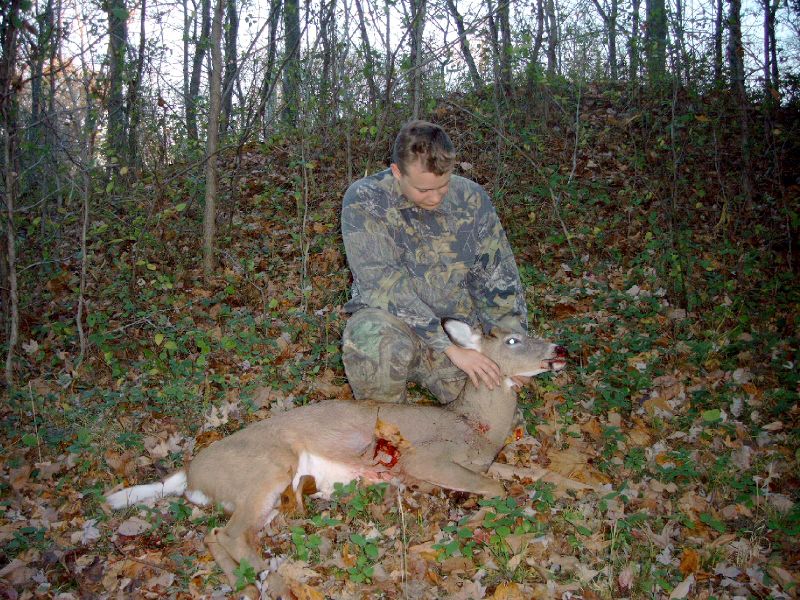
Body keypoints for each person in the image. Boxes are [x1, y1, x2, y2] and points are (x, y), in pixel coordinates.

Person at [340, 120, 527, 405]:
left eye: (444, 185)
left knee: (494, 407)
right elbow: (384, 287)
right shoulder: (365, 200)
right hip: (395, 326)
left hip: (458, 330)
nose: (436, 197)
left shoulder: (471, 198)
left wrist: (512, 349)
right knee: (369, 338)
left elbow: (498, 282)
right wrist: (448, 349)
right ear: (397, 172)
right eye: (424, 190)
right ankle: (384, 420)